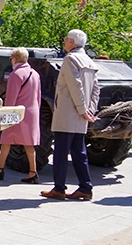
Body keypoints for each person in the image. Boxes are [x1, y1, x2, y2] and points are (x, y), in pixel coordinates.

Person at [41, 29, 100, 201]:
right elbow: (96, 88)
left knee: (60, 152)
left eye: (66, 39)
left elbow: (75, 86)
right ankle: (85, 187)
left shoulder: (70, 59)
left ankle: (59, 188)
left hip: (68, 113)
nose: (65, 42)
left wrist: (83, 109)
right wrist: (89, 110)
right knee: (79, 152)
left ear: (72, 42)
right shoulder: (89, 61)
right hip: (81, 116)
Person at [0, 48, 42, 183]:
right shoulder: (35, 74)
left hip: (17, 113)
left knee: (6, 140)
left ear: (14, 59)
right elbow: (38, 97)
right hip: (32, 111)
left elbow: (11, 97)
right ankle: (33, 172)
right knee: (29, 143)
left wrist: (5, 112)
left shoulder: (16, 74)